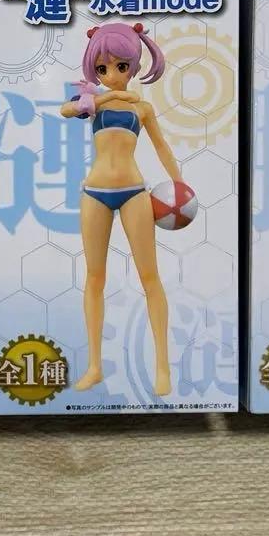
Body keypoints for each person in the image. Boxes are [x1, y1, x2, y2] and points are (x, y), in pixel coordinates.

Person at [60, 22, 181, 396]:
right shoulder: (91, 102)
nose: (111, 74)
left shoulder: (142, 108)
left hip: (134, 192)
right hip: (94, 192)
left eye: (121, 66)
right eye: (102, 68)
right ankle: (95, 366)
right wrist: (107, 97)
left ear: (134, 65)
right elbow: (66, 110)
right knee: (95, 277)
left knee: (150, 276)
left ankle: (162, 366)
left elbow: (161, 147)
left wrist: (178, 183)